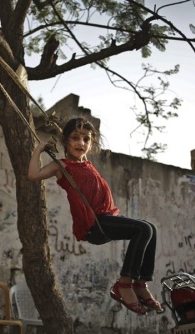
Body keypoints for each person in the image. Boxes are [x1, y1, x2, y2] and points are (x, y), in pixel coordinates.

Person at [28, 117, 163, 315]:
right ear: (66, 141)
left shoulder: (88, 165)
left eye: (86, 139)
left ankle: (140, 283)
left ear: (91, 144)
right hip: (95, 225)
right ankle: (124, 284)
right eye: (75, 138)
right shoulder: (62, 166)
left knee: (151, 228)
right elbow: (33, 175)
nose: (81, 143)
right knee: (142, 229)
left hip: (107, 218)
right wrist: (38, 150)